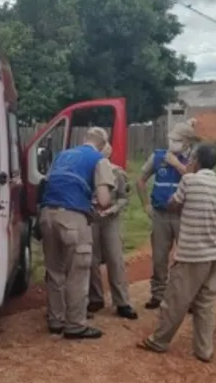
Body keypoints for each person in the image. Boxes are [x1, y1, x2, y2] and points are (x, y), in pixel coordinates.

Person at [137, 144, 216, 362]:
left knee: (175, 300)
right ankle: (204, 350)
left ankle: (159, 341)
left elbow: (173, 204)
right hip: (215, 253)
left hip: (192, 253)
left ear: (196, 160)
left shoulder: (189, 180)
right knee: (206, 304)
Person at [39, 127, 115, 339]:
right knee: (78, 272)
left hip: (46, 215)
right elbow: (103, 199)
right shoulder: (99, 159)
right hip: (72, 218)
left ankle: (56, 320)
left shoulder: (63, 155)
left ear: (85, 139)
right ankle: (75, 325)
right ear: (103, 144)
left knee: (54, 271)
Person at [136, 120, 200, 310]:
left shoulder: (195, 160)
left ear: (187, 142)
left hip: (184, 215)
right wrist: (146, 204)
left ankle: (188, 298)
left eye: (177, 140)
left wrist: (177, 165)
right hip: (160, 214)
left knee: (187, 258)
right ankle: (158, 294)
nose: (172, 142)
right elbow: (140, 180)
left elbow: (196, 180)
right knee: (159, 257)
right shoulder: (158, 157)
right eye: (171, 138)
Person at [88, 143, 138, 320]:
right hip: (91, 218)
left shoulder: (117, 173)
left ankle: (122, 302)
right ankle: (95, 298)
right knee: (91, 260)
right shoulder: (88, 171)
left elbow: (124, 198)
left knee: (115, 259)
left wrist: (113, 209)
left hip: (110, 220)